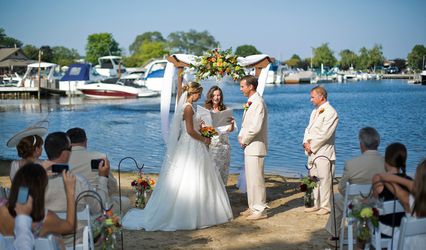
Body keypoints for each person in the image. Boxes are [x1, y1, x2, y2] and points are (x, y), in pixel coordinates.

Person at [122, 81, 233, 231]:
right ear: (193, 93)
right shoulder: (187, 108)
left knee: (197, 176)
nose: (200, 96)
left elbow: (192, 127)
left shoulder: (189, 107)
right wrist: (203, 138)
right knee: (192, 175)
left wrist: (200, 126)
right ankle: (190, 213)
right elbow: (189, 131)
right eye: (198, 93)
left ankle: (200, 210)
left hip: (191, 144)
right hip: (192, 143)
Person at [325, 127, 385, 244]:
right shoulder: (387, 163)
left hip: (355, 206)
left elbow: (341, 188)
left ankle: (335, 237)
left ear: (361, 144)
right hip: (378, 206)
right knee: (339, 199)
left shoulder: (351, 164)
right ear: (378, 143)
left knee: (336, 199)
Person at [0, 163, 76, 249]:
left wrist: (35, 173)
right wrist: (70, 192)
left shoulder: (2, 207)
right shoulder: (44, 219)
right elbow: (70, 226)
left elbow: (24, 190)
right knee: (57, 238)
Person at [42, 132, 109, 215]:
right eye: (70, 148)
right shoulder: (79, 182)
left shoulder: (33, 180)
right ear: (64, 154)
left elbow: (22, 202)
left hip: (43, 227)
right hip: (77, 227)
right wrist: (103, 177)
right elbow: (100, 209)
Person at [66, 127, 130, 214]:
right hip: (98, 203)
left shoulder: (62, 160)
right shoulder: (99, 157)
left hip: (71, 204)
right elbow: (113, 187)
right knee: (126, 201)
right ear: (86, 141)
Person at [374, 159, 426, 249]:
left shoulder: (408, 200)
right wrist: (410, 183)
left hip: (408, 245)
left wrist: (411, 184)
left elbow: (382, 177)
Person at [303, 86, 339, 215]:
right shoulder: (315, 111)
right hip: (312, 152)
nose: (310, 99)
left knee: (325, 179)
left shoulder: (331, 112)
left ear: (321, 97)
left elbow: (325, 134)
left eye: (312, 97)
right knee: (314, 178)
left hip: (324, 152)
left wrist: (312, 146)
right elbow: (308, 129)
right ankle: (315, 204)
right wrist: (305, 142)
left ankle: (326, 206)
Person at [238, 75, 269, 220]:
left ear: (251, 87)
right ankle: (252, 207)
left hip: (256, 146)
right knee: (250, 179)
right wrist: (240, 135)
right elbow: (246, 124)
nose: (241, 89)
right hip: (249, 146)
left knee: (257, 180)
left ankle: (260, 209)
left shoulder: (258, 103)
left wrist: (245, 139)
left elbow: (256, 127)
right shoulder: (251, 102)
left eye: (242, 86)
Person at [372, 143, 413, 236]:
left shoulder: (379, 181)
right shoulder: (409, 182)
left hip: (384, 232)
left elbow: (375, 203)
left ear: (386, 160)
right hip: (404, 231)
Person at [204, 85, 235, 185]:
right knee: (212, 172)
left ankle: (221, 197)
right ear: (210, 96)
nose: (216, 97)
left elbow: (230, 130)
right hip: (212, 146)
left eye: (218, 95)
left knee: (222, 172)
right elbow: (202, 129)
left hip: (224, 146)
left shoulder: (225, 110)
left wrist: (232, 123)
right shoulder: (206, 111)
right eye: (214, 95)